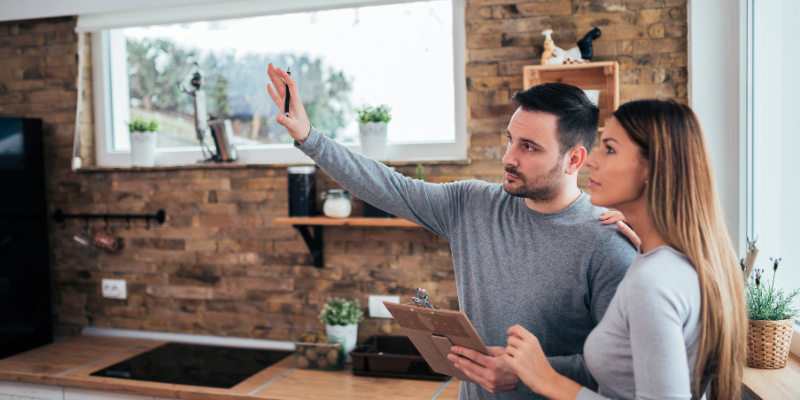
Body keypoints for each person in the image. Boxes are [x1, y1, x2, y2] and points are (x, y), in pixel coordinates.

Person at [265, 64, 637, 400]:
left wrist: (531, 372)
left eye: (529, 147)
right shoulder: (472, 204)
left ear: (574, 159)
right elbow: (387, 186)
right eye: (510, 139)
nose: (509, 157)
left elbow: (624, 369)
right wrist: (309, 136)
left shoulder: (607, 242)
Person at [502, 100, 747, 400]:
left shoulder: (654, 282)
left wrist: (547, 380)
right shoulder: (675, 263)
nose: (590, 160)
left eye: (610, 148)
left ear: (652, 167)